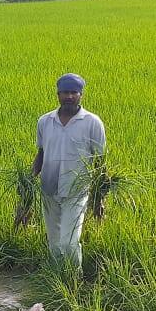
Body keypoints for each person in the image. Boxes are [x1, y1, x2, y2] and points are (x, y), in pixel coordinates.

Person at [31, 73, 106, 268]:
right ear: (58, 94)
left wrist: (99, 198)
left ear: (81, 95)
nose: (69, 97)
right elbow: (41, 153)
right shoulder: (45, 121)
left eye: (74, 92)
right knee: (54, 243)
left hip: (76, 191)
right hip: (48, 189)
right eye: (65, 92)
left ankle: (74, 280)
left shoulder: (92, 122)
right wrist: (28, 183)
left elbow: (100, 161)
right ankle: (58, 277)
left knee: (69, 242)